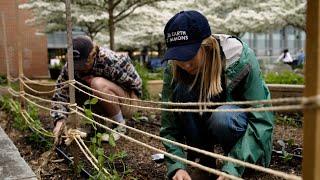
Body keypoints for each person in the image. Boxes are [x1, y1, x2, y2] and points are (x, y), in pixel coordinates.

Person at [160, 10, 274, 180]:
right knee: (182, 91)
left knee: (224, 117)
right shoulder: (174, 68)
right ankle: (204, 161)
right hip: (204, 124)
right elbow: (169, 123)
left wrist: (233, 168)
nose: (185, 64)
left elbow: (261, 119)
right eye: (179, 57)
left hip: (236, 124)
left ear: (207, 46)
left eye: (189, 55)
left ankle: (240, 165)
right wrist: (176, 166)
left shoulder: (240, 59)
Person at [51, 35, 142, 141]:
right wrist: (59, 121)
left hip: (128, 102)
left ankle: (120, 125)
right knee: (75, 86)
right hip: (104, 101)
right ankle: (98, 126)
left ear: (93, 55)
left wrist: (102, 84)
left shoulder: (110, 60)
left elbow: (136, 85)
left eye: (83, 64)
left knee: (97, 83)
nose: (79, 68)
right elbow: (60, 95)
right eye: (76, 64)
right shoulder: (70, 67)